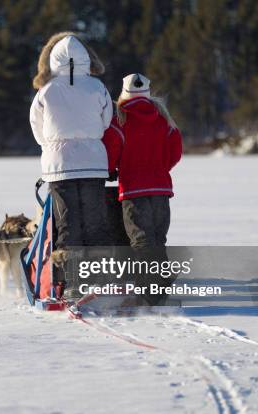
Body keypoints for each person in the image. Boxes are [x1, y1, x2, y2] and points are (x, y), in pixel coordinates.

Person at [29, 32, 113, 265]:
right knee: (96, 223)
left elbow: (36, 126)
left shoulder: (45, 90)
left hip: (59, 166)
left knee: (67, 224)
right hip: (93, 165)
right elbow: (106, 121)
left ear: (53, 60)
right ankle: (100, 277)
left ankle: (70, 281)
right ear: (86, 58)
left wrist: (50, 147)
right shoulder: (97, 87)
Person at [102, 73, 183, 305]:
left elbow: (110, 151)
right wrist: (158, 168)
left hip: (133, 191)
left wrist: (112, 170)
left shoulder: (120, 119)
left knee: (141, 241)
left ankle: (150, 293)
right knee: (158, 238)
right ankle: (160, 286)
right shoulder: (163, 117)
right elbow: (175, 151)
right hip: (161, 189)